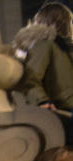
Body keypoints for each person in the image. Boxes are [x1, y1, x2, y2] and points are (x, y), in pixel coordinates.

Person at [13, 2, 73, 141]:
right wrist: (42, 101)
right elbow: (29, 77)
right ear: (62, 22)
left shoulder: (63, 47)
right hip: (65, 110)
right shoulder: (45, 45)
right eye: (70, 21)